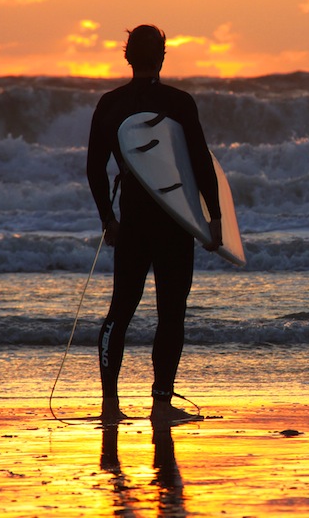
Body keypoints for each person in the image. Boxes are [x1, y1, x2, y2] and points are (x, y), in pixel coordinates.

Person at [86, 24, 222, 424]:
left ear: (127, 56)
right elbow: (200, 162)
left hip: (132, 224)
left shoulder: (110, 104)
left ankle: (110, 404)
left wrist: (107, 219)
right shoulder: (179, 103)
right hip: (174, 224)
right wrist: (213, 219)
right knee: (171, 313)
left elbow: (95, 168)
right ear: (162, 56)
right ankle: (161, 404)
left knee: (120, 311)